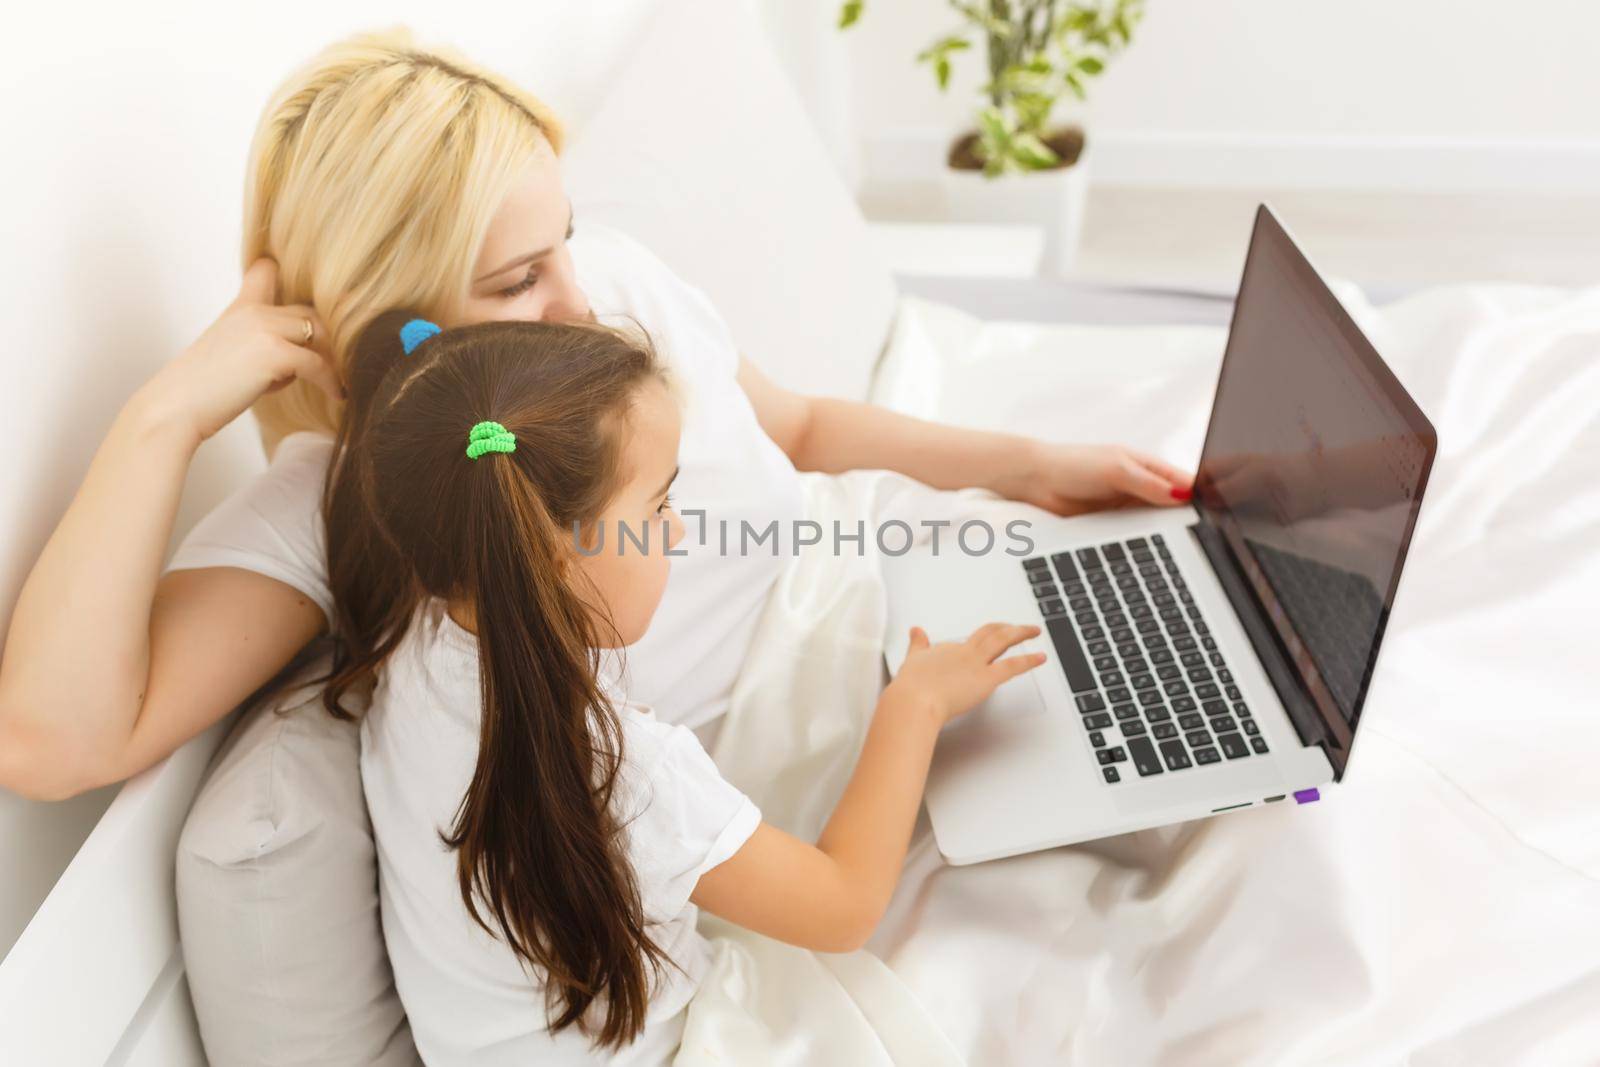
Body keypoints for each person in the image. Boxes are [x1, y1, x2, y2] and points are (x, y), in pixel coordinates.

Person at [0, 28, 1190, 802]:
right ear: (386, 321)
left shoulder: (601, 280)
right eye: (515, 280)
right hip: (848, 752)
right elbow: (51, 744)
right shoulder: (346, 501)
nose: (580, 305)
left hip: (886, 607)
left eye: (561, 239)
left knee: (1218, 617)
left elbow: (805, 431)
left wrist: (1031, 466)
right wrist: (162, 417)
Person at [342, 310, 1044, 1062]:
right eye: (657, 505)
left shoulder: (414, 639)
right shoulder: (620, 774)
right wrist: (917, 702)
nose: (675, 531)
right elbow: (844, 907)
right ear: (549, 550)